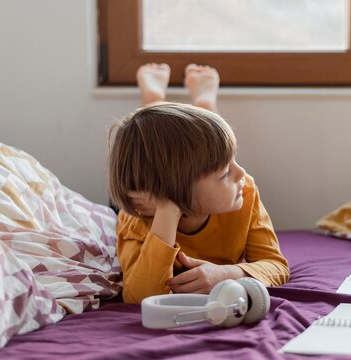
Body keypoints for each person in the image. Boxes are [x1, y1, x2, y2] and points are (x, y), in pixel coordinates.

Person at [108, 63, 290, 304]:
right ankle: (153, 102)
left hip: (175, 184)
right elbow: (139, 296)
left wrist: (227, 274)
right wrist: (168, 211)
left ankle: (199, 107)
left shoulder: (244, 190)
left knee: (194, 145)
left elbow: (276, 265)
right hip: (149, 193)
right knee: (150, 150)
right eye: (226, 173)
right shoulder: (138, 216)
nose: (242, 173)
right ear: (176, 193)